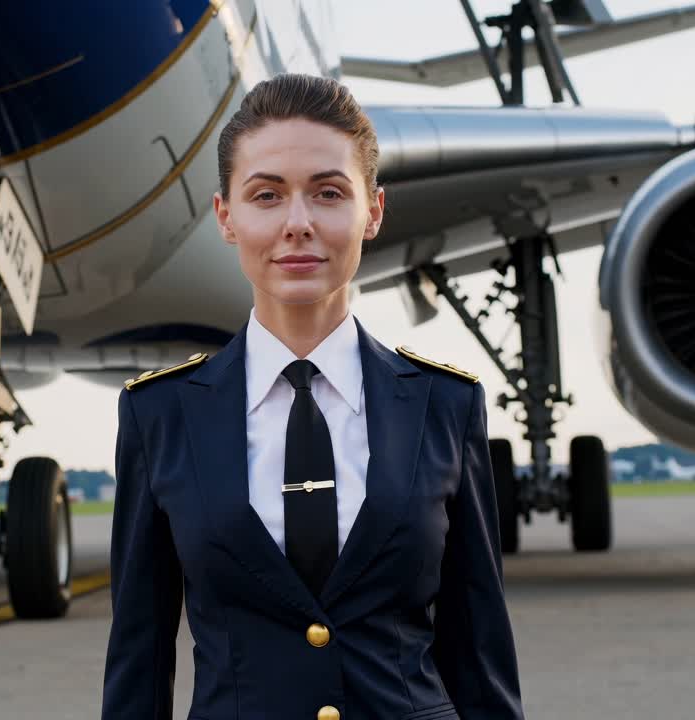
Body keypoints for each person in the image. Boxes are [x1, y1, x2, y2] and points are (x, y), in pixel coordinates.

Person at [101, 73, 524, 720]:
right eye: (266, 196)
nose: (297, 224)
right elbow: (139, 659)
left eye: (328, 193)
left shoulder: (444, 406)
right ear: (226, 216)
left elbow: (480, 653)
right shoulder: (160, 414)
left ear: (373, 211)